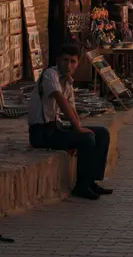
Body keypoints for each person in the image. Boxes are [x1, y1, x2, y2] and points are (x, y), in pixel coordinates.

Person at [28, 44, 112, 200]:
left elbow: (72, 109)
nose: (68, 65)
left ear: (77, 63)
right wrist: (78, 129)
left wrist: (77, 128)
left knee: (102, 133)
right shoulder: (50, 75)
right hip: (42, 132)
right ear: (58, 60)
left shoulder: (67, 81)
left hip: (56, 128)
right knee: (86, 139)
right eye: (65, 60)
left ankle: (91, 181)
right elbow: (61, 101)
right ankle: (81, 186)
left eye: (73, 61)